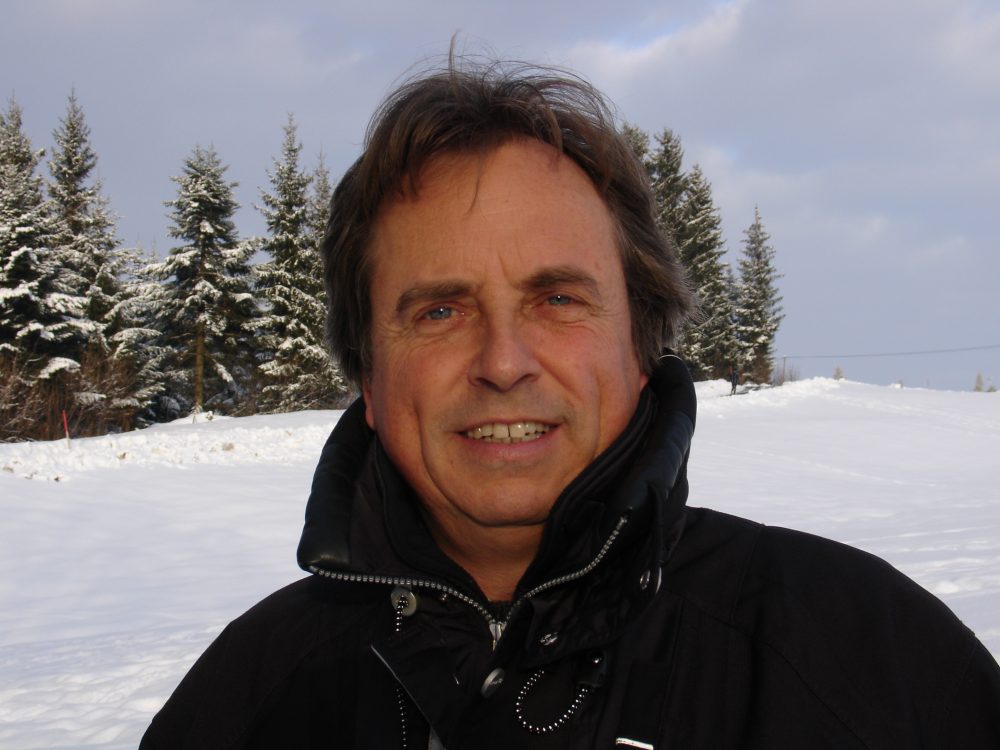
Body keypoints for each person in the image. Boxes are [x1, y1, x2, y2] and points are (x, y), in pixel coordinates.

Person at [140, 56, 1000, 749]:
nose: (503, 362)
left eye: (557, 299)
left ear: (640, 350)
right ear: (369, 379)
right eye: (439, 311)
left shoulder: (864, 653)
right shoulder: (252, 696)